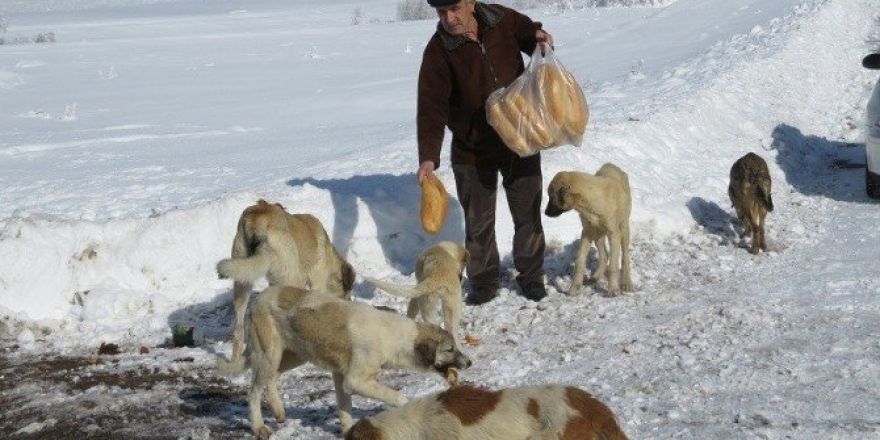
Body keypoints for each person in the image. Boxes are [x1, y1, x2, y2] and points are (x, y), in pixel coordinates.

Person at [416, 0, 553, 305]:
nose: (448, 19)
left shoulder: (500, 19)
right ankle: (484, 280)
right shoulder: (439, 51)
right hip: (472, 149)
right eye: (441, 12)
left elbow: (529, 33)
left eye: (453, 9)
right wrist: (428, 155)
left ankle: (531, 276)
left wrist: (539, 38)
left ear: (470, 3)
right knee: (478, 223)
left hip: (519, 136)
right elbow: (431, 107)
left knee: (528, 213)